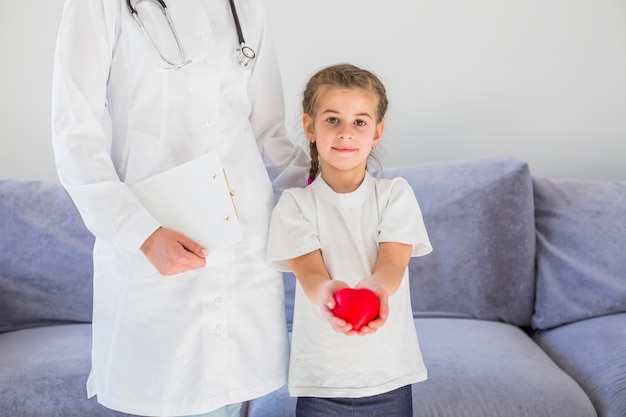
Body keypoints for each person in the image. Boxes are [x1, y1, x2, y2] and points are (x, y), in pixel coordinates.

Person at [51, 0, 309, 416]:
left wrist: (327, 190)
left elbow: (268, 129)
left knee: (233, 396)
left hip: (243, 255)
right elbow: (75, 136)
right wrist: (143, 233)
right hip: (155, 249)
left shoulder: (244, 6)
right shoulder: (97, 5)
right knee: (168, 393)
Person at [266, 63, 433, 417]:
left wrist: (376, 289)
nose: (346, 132)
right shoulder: (295, 205)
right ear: (309, 127)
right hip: (321, 381)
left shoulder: (395, 196)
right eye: (332, 120)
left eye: (359, 121)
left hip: (389, 376)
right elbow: (310, 274)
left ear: (377, 132)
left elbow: (392, 263)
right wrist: (328, 292)